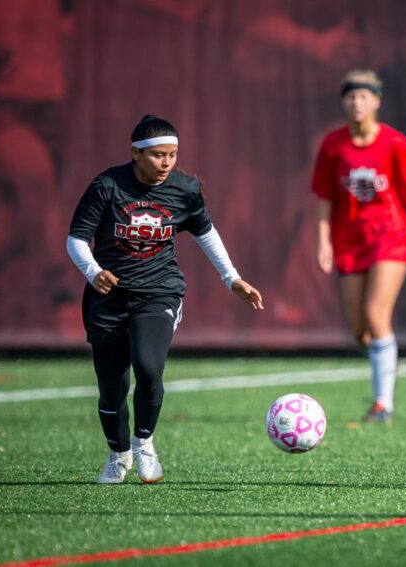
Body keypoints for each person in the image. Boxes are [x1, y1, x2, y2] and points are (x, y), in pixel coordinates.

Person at [67, 115, 264, 484]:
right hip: (107, 299)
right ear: (136, 154)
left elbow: (206, 233)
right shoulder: (107, 185)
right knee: (111, 388)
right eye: (158, 155)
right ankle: (117, 454)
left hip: (159, 292)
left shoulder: (185, 189)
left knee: (148, 366)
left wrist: (231, 278)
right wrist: (94, 272)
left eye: (172, 155)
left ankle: (144, 443)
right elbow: (76, 239)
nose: (166, 163)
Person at [311, 70, 406, 423]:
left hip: (391, 236)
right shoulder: (332, 145)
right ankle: (386, 363)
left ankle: (382, 403)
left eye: (364, 96)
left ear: (377, 102)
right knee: (359, 330)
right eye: (351, 97)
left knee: (376, 314)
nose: (357, 103)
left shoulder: (396, 144)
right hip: (349, 241)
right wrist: (323, 241)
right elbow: (324, 197)